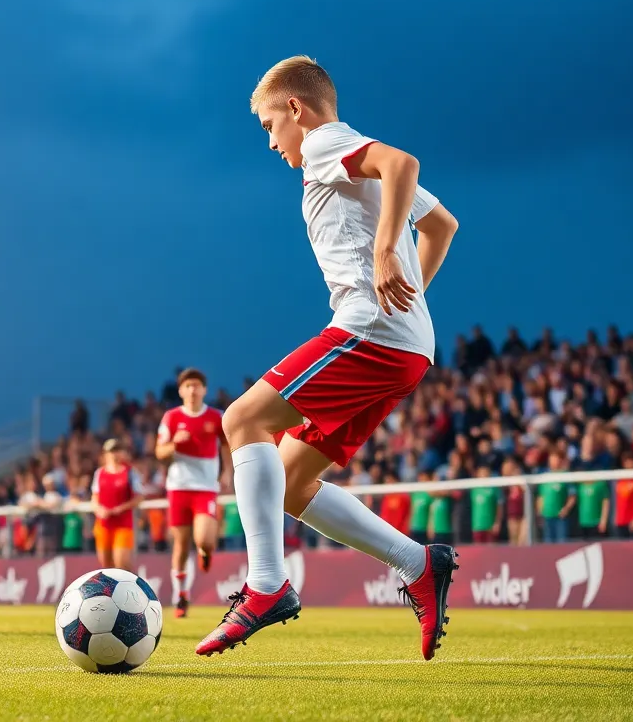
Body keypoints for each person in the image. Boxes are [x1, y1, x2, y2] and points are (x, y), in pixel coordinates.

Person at [196, 57, 461, 661]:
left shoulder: (324, 143)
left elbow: (402, 163)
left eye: (269, 125)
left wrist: (387, 255)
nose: (271, 141)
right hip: (405, 346)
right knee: (288, 481)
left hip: (368, 333)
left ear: (296, 108)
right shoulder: (346, 158)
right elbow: (443, 226)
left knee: (241, 421)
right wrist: (406, 295)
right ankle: (417, 562)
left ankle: (266, 586)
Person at [154, 367, 231, 618]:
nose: (193, 390)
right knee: (181, 544)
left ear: (204, 390)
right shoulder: (172, 417)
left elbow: (227, 446)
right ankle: (181, 596)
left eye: (197, 385)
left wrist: (228, 472)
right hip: (178, 488)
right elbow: (159, 452)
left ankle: (205, 551)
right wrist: (176, 442)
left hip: (206, 488)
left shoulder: (216, 417)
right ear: (180, 390)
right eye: (188, 386)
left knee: (205, 541)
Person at [91, 439, 145, 572]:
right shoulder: (100, 473)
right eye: (111, 451)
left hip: (123, 523)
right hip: (104, 523)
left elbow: (139, 496)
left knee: (122, 562)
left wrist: (121, 508)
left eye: (117, 451)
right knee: (106, 563)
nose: (114, 454)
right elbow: (95, 497)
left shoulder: (129, 473)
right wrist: (99, 509)